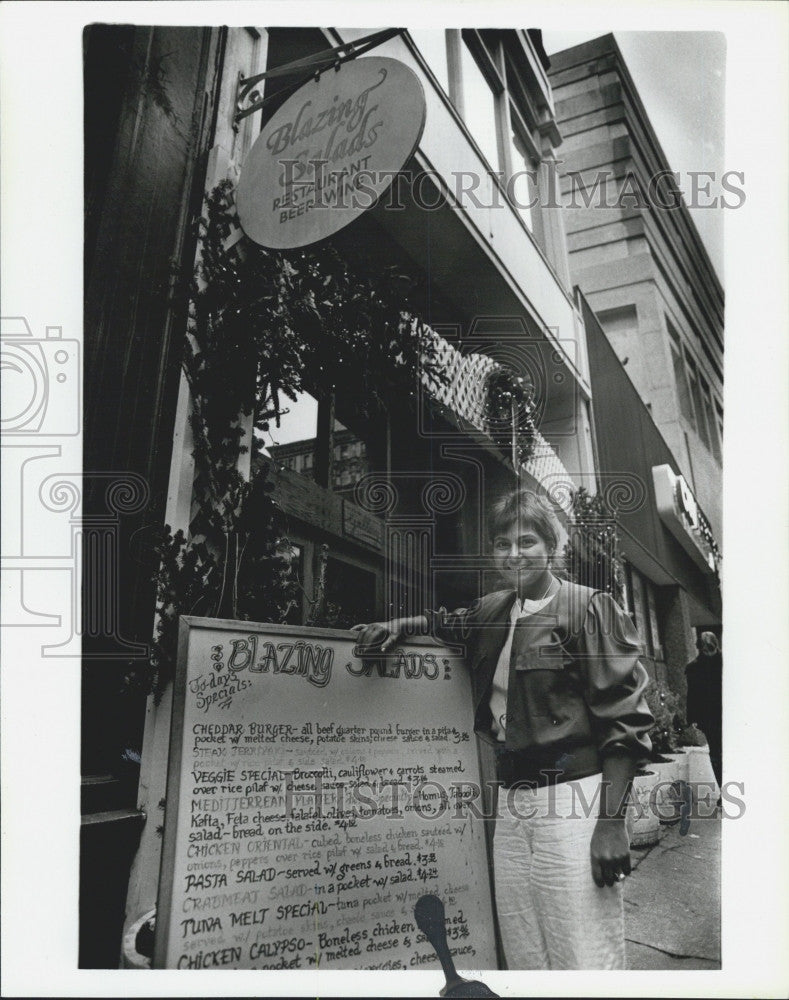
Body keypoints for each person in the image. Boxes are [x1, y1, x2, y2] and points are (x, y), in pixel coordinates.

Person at [353, 489, 654, 970]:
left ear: (552, 546)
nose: (514, 554)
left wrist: (612, 824)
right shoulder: (493, 609)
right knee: (524, 948)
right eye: (502, 543)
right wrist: (400, 624)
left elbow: (625, 722)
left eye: (527, 541)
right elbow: (447, 621)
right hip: (512, 803)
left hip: (573, 802)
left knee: (582, 949)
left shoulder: (588, 608)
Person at [685, 631, 722, 790]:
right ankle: (723, 789)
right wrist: (692, 717)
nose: (707, 652)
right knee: (716, 753)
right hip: (710, 717)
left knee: (721, 753)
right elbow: (692, 694)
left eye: (710, 649)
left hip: (725, 714)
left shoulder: (727, 663)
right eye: (705, 649)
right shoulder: (694, 668)